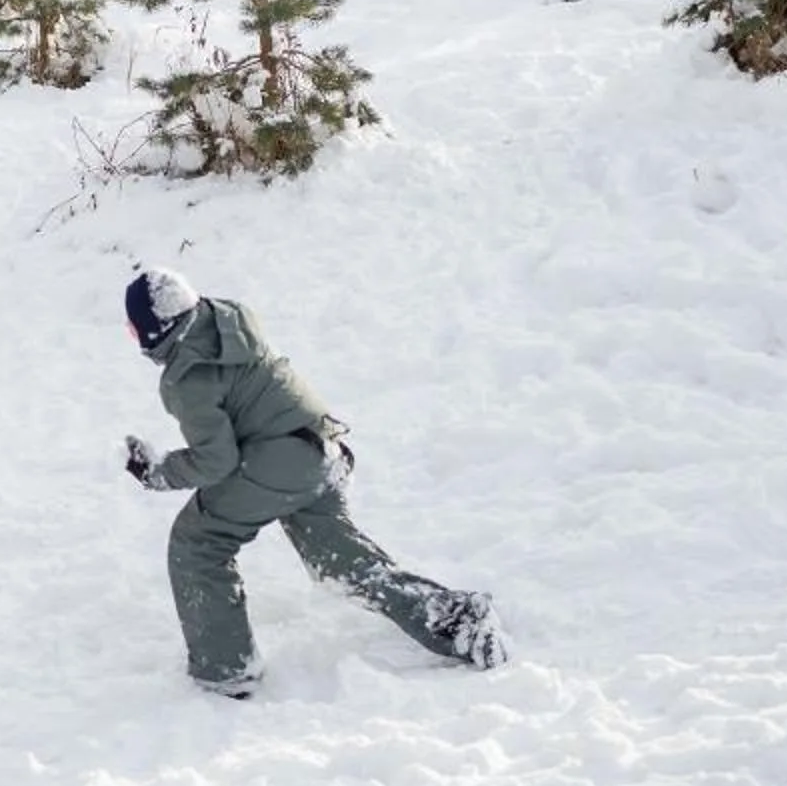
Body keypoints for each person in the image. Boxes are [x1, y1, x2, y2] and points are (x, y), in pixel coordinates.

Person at [119, 267, 504, 696]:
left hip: (278, 461)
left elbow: (216, 462)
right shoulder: (226, 324)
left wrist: (157, 471)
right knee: (341, 564)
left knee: (198, 541)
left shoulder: (187, 375)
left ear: (155, 329)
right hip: (320, 445)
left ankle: (225, 669)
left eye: (134, 331)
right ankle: (456, 620)